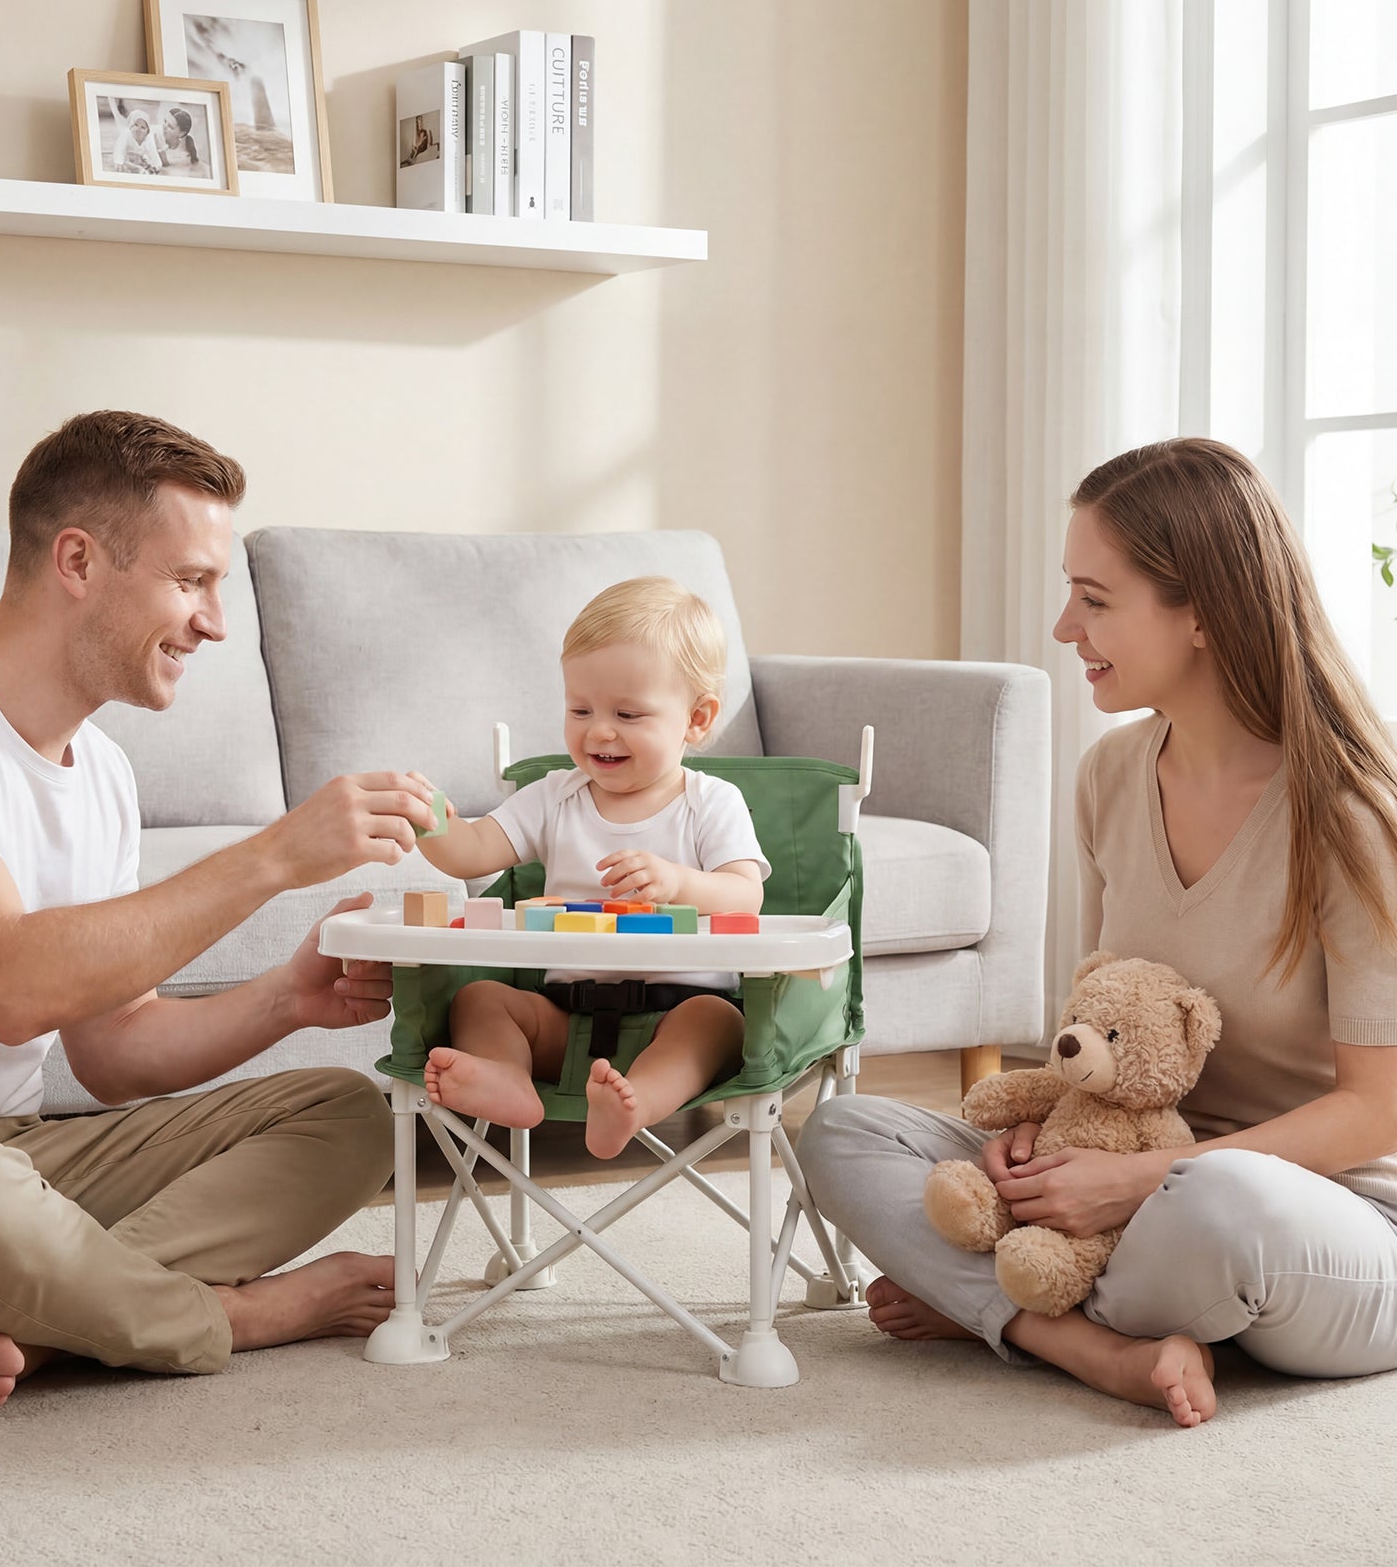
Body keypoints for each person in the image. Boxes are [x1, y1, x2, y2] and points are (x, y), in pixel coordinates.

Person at [0, 410, 443, 1417]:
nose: (215, 623)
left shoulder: (100, 770)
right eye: (191, 581)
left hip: (11, 1156)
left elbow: (111, 1051)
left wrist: (286, 999)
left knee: (345, 1112)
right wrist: (273, 856)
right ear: (77, 561)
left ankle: (24, 1323)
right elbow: (8, 986)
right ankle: (224, 1316)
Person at [798, 437, 1397, 1427]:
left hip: (1323, 1215)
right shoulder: (1110, 777)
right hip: (1138, 1180)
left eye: (1094, 598)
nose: (1063, 626)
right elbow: (1100, 1033)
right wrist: (1042, 1144)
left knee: (1221, 1201)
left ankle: (997, 1306)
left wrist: (1136, 1181)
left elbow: (1378, 1111)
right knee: (844, 1130)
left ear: (1200, 610)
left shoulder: (1350, 815)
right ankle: (1095, 1345)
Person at [417, 576, 769, 1159]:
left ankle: (637, 1104)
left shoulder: (710, 802)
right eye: (580, 709)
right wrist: (430, 821)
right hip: (565, 1018)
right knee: (479, 999)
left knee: (720, 1023)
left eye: (628, 713)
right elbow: (472, 849)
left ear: (697, 718)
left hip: (680, 1009)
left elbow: (744, 894)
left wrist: (678, 882)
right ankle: (507, 1077)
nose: (599, 730)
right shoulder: (554, 797)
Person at [111, 110, 162, 174]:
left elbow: (154, 154)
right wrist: (120, 164)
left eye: (143, 127)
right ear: (131, 127)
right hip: (125, 157)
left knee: (146, 161)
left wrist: (156, 166)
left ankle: (142, 168)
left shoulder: (148, 139)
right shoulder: (126, 135)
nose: (138, 129)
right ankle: (139, 169)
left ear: (147, 132)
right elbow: (120, 150)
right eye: (136, 125)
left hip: (139, 156)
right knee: (126, 165)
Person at [160, 107, 202, 174]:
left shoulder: (182, 158)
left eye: (170, 126)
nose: (164, 126)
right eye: (165, 121)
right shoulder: (163, 146)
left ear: (182, 133)